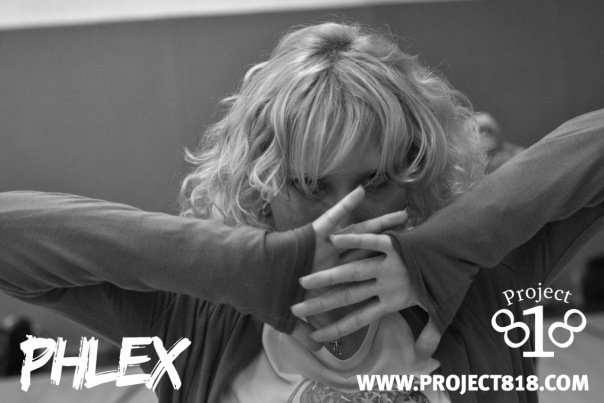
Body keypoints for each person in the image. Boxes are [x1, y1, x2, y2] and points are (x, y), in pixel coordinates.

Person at [0, 21, 602, 403]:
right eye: (311, 185)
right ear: (260, 187)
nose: (346, 215)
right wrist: (264, 267)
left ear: (413, 177)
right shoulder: (191, 320)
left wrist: (431, 259)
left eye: (376, 181)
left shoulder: (482, 289)